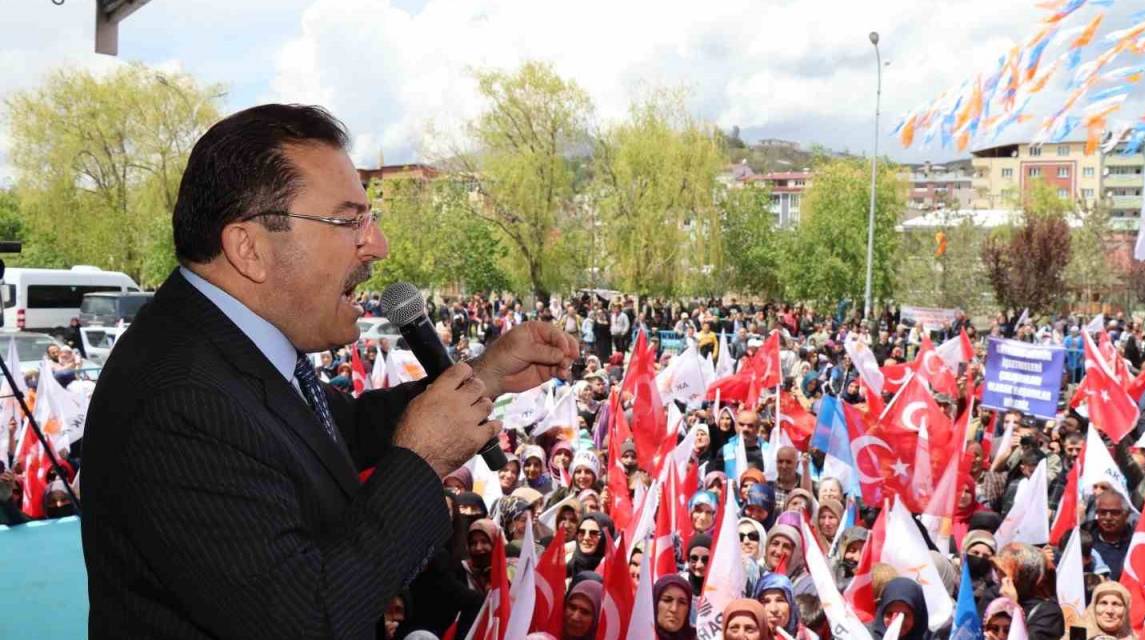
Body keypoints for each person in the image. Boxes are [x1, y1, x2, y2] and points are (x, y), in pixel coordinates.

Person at [79, 104, 578, 639]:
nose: (378, 246)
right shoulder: (178, 397)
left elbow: (335, 433)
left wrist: (485, 374)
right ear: (249, 248)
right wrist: (422, 460)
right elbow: (307, 622)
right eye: (348, 221)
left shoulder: (225, 346)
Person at [654, 574, 696, 640]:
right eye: (667, 600)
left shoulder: (701, 637)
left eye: (682, 602)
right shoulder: (639, 635)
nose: (674, 609)